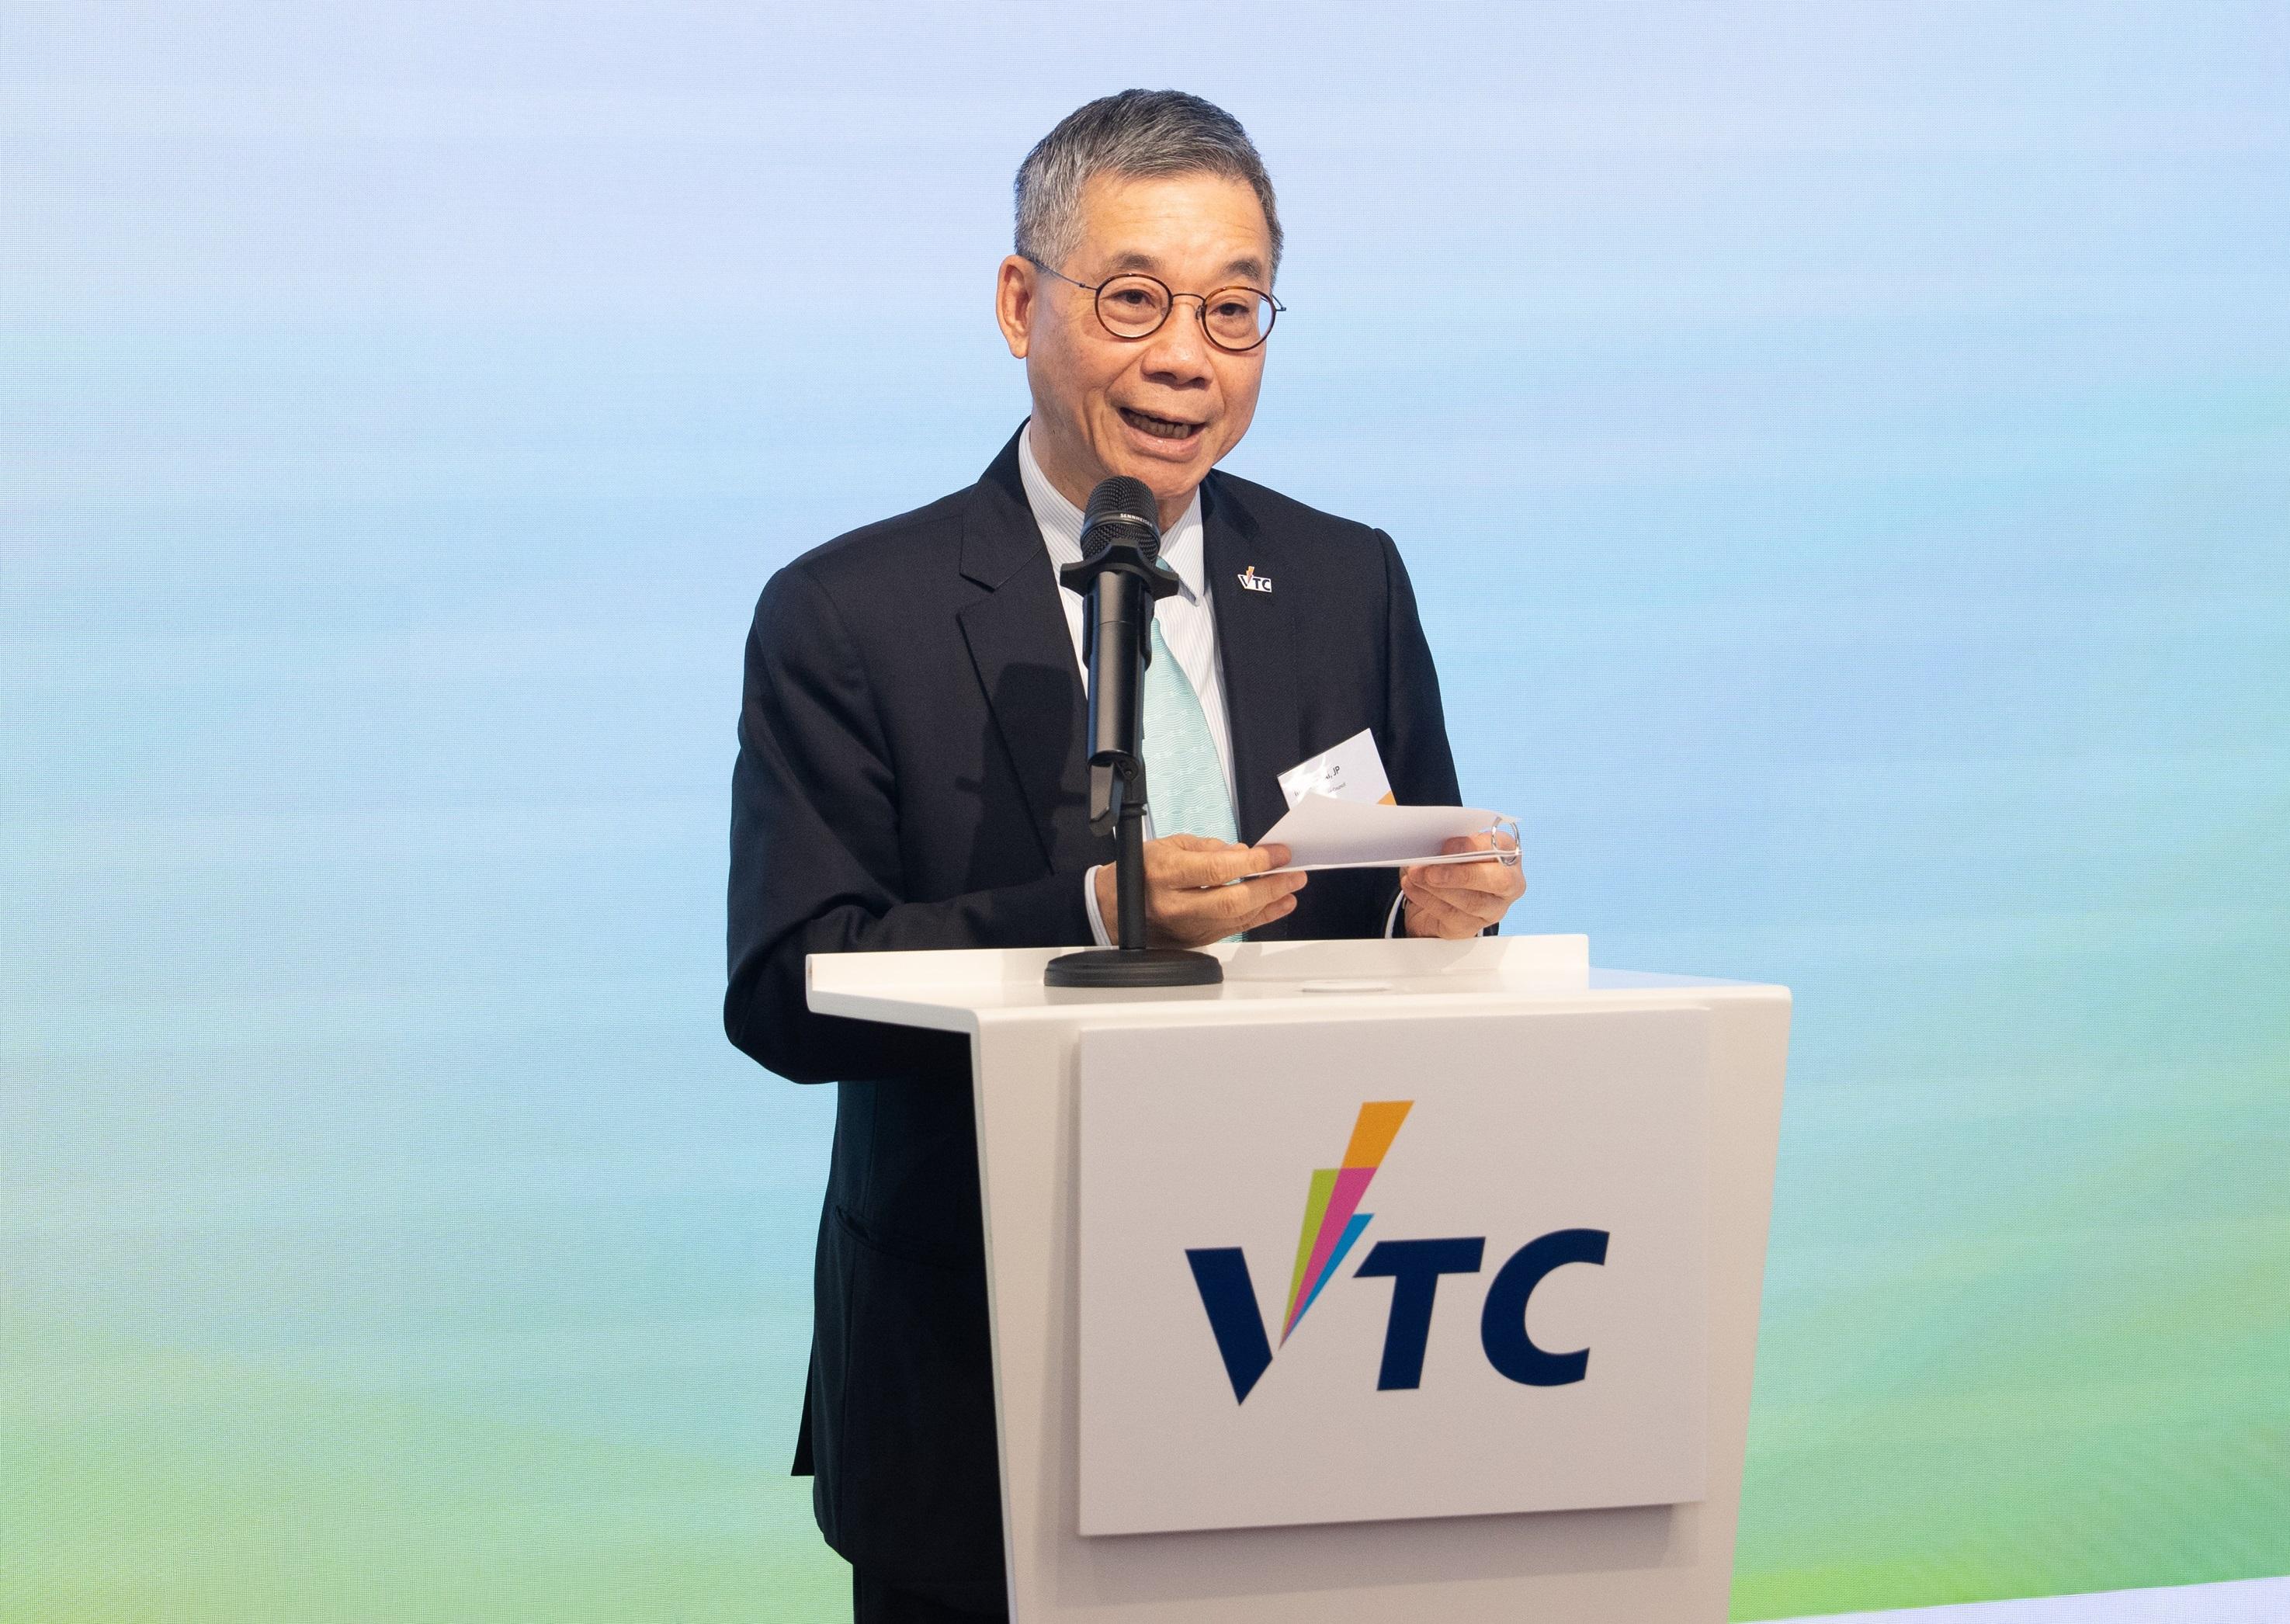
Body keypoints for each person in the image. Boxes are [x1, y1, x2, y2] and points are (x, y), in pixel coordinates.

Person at [724, 88, 1524, 1623]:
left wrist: (1447, 928)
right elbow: (784, 987)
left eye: (1234, 310)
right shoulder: (850, 612)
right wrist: (1086, 911)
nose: (1186, 358)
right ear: (1022, 302)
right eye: (1136, 300)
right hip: (986, 1379)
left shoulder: (1345, 577)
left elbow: (1406, 907)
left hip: (1315, 1348)